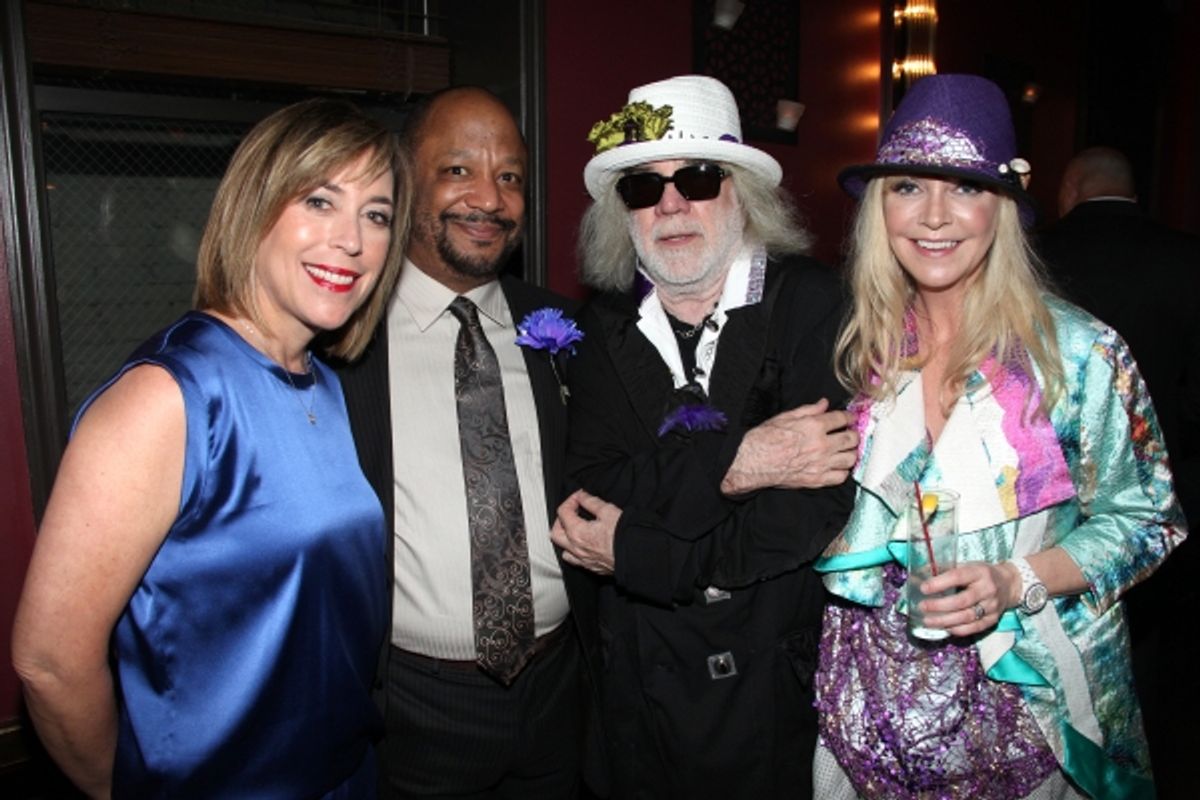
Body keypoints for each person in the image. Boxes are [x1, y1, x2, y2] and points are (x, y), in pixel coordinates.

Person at [11, 97, 409, 797]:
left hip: (346, 777)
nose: (351, 240)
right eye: (320, 200)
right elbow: (49, 661)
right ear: (254, 208)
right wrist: (127, 788)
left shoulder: (324, 384)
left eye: (375, 215)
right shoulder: (168, 399)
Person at [812, 74, 1188, 800]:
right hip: (865, 715)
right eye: (908, 188)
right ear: (878, 208)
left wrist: (1016, 579)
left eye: (965, 188)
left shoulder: (1076, 354)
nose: (934, 216)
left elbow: (1150, 520)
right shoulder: (867, 348)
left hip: (1018, 719)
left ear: (1006, 208)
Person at [553, 74, 857, 798]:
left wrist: (637, 552)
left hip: (767, 689)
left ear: (741, 194)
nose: (670, 205)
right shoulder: (603, 323)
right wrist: (741, 461)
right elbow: (595, 489)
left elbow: (810, 513)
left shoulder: (809, 302)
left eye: (696, 177)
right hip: (640, 693)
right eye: (642, 188)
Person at [337, 86, 589, 799]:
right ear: (404, 181)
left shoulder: (569, 330)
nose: (489, 198)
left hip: (560, 687)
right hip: (413, 703)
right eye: (458, 171)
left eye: (509, 176)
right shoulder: (342, 342)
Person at [1038, 145, 1200, 799]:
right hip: (1165, 487)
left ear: (1071, 185)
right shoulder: (1187, 257)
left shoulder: (1036, 252)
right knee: (1150, 643)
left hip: (1038, 496)